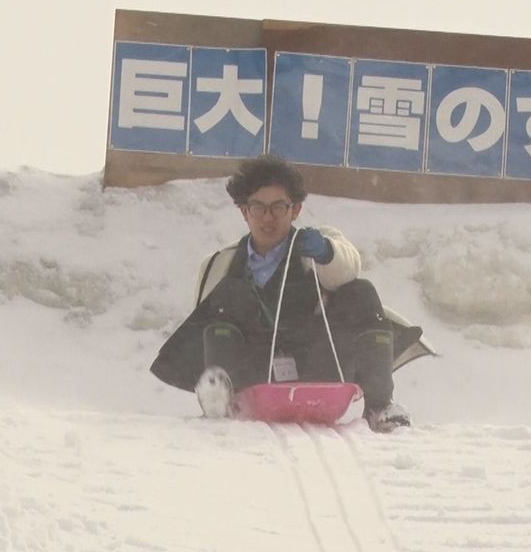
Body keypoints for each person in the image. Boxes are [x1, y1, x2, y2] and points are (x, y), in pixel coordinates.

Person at [150, 154, 431, 433]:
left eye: (279, 207)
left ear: (295, 210)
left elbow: (348, 266)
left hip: (317, 360)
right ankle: (220, 402)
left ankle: (380, 406)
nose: (268, 218)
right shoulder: (218, 265)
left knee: (361, 291)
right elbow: (207, 326)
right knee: (227, 294)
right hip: (253, 367)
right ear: (244, 211)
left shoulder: (314, 247)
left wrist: (325, 252)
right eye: (258, 207)